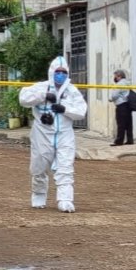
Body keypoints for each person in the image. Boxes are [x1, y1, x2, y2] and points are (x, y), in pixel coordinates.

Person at [19, 56, 88, 213]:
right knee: (39, 165)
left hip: (64, 133)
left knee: (65, 165)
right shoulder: (41, 87)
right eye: (58, 71)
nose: (61, 75)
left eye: (64, 72)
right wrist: (43, 96)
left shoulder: (72, 91)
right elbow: (23, 98)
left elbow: (81, 111)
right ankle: (39, 194)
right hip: (42, 133)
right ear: (52, 72)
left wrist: (65, 109)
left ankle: (65, 199)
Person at [109, 69, 133, 146]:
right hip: (128, 105)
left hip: (121, 105)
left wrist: (110, 98)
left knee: (121, 123)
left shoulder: (119, 84)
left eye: (115, 76)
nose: (114, 78)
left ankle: (119, 141)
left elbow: (114, 95)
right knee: (128, 123)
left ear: (119, 76)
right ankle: (130, 140)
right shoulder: (128, 83)